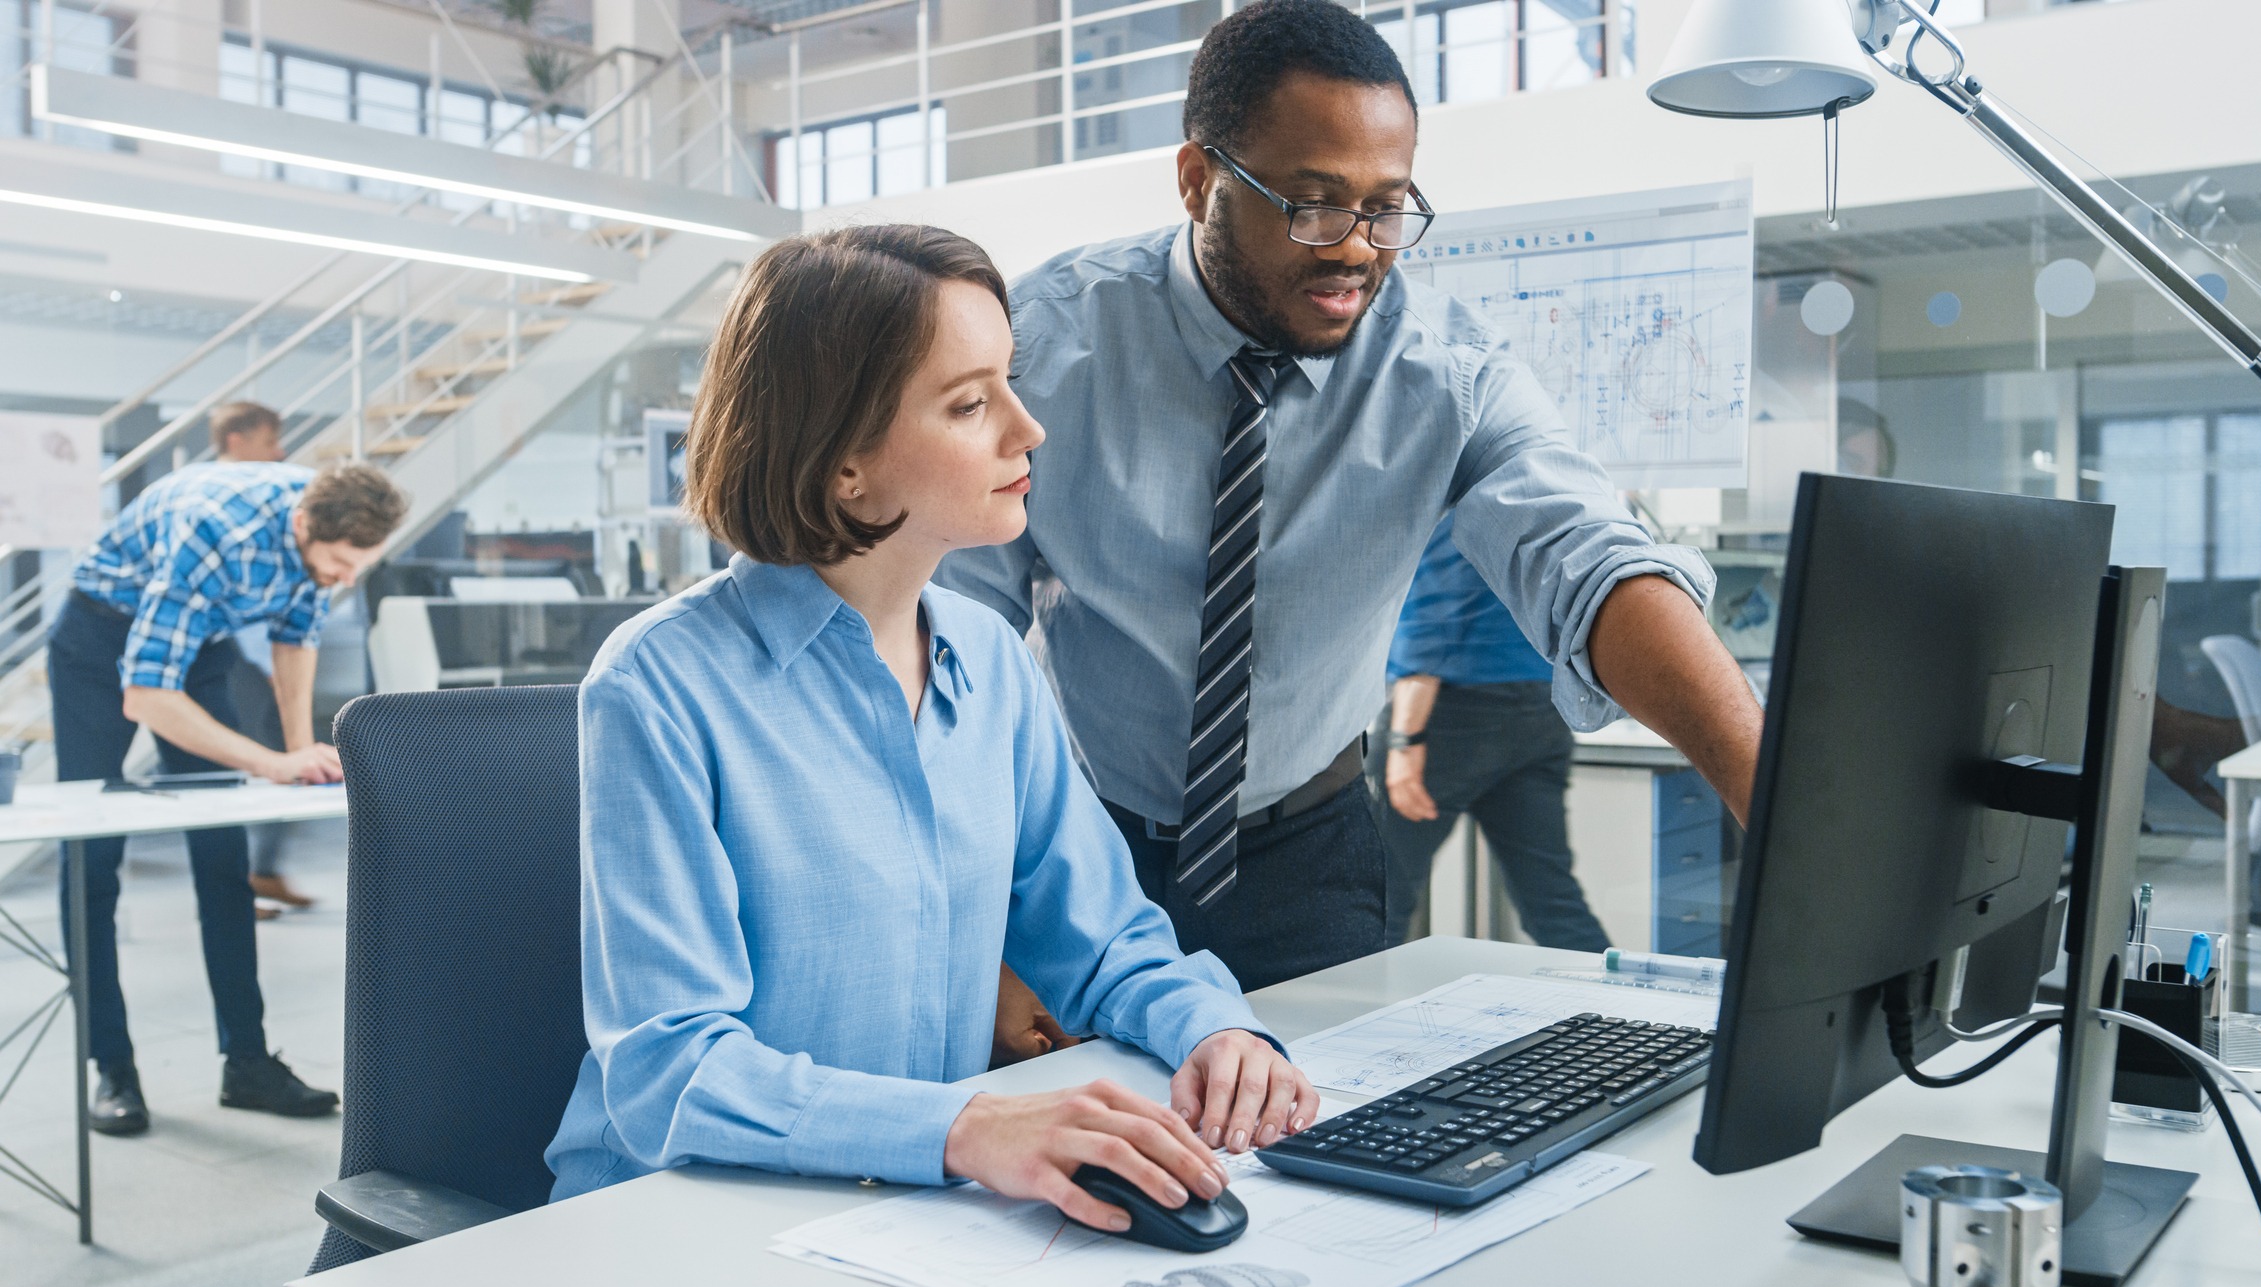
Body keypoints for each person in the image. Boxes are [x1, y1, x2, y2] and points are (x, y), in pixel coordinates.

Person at [939, 0, 1762, 1012]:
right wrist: (981, 911)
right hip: (1079, 853)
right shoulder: (1044, 348)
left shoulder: (1444, 374)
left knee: (1333, 1145)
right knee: (1090, 1151)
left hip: (1312, 856)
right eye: (1314, 204)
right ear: (1198, 179)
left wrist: (1763, 783)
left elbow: (1584, 556)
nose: (1357, 250)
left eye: (1385, 207)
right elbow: (948, 648)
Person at [544, 225, 1316, 1224]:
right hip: (680, 1221)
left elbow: (1106, 944)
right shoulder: (659, 687)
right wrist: (961, 1131)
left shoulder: (990, 663)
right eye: (968, 403)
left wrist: (1216, 1035)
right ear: (842, 464)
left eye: (1009, 382)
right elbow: (668, 1070)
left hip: (904, 1213)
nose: (1026, 429)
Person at [50, 459, 406, 1135]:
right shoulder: (215, 530)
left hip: (199, 644)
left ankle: (245, 1061)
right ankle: (113, 1068)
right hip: (98, 644)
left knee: (224, 858)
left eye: (361, 565)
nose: (348, 578)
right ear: (303, 526)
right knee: (92, 862)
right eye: (339, 562)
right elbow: (147, 692)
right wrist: (271, 761)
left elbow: (294, 639)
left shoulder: (328, 522)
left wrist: (302, 753)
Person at [1367, 515, 1609, 951]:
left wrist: (1405, 740)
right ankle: (1619, 1014)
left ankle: (1345, 1016)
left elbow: (1434, 613)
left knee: (1377, 899)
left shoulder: (1453, 489)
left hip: (1451, 714)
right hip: (1542, 704)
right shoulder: (1531, 494)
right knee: (1552, 901)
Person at [207, 401, 316, 918]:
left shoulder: (283, 502)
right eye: (270, 440)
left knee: (293, 756)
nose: (281, 452)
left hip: (261, 658)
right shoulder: (218, 508)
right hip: (234, 659)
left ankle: (263, 872)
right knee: (264, 761)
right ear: (236, 440)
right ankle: (240, 883)